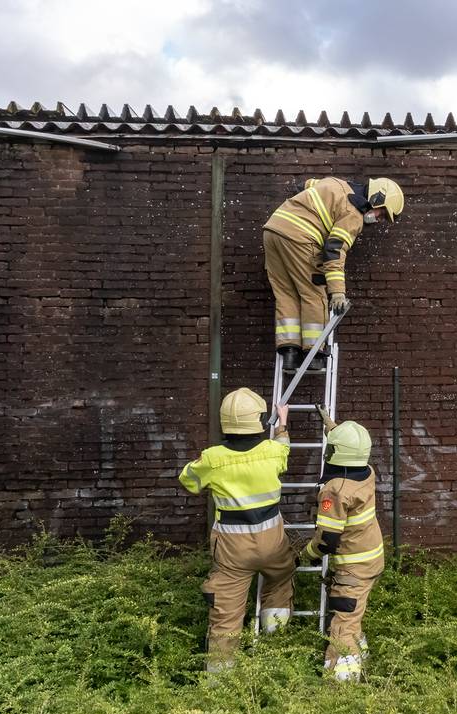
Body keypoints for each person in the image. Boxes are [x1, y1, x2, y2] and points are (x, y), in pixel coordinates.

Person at [178, 388, 297, 672]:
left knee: (226, 613)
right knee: (281, 581)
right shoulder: (271, 452)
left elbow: (189, 481)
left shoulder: (212, 458)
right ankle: (276, 649)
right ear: (258, 420)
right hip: (273, 544)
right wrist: (282, 424)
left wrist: (206, 463)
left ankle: (219, 681)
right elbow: (284, 450)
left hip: (232, 550)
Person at [263, 177, 405, 372]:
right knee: (313, 293)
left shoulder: (334, 183)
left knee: (286, 293)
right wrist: (338, 292)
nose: (378, 219)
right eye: (382, 213)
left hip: (273, 230)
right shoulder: (352, 214)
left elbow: (302, 186)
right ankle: (314, 355)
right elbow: (334, 250)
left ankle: (289, 352)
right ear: (377, 197)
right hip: (300, 238)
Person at [301, 413, 385, 681]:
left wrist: (304, 555)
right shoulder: (367, 472)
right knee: (354, 612)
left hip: (352, 568)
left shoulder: (335, 490)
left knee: (343, 625)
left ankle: (342, 685)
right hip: (372, 558)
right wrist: (331, 427)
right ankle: (363, 658)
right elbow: (350, 449)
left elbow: (328, 540)